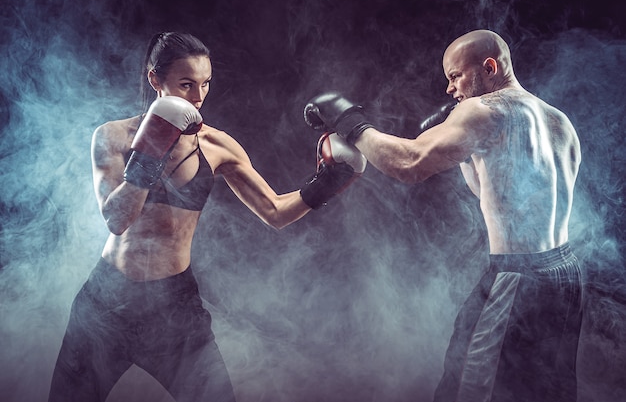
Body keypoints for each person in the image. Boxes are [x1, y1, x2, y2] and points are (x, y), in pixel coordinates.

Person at [47, 31, 366, 402]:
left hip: (175, 309)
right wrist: (151, 149)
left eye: (205, 83)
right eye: (186, 85)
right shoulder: (113, 136)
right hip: (107, 305)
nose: (198, 97)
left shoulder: (217, 145)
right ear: (155, 80)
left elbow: (275, 212)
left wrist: (324, 184)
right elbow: (117, 219)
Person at [304, 29, 583, 402]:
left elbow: (410, 164)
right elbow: (498, 195)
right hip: (565, 276)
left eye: (455, 76)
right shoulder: (558, 121)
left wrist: (350, 123)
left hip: (517, 277)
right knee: (543, 390)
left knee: (469, 388)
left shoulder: (484, 110)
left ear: (489, 67)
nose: (450, 89)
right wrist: (468, 152)